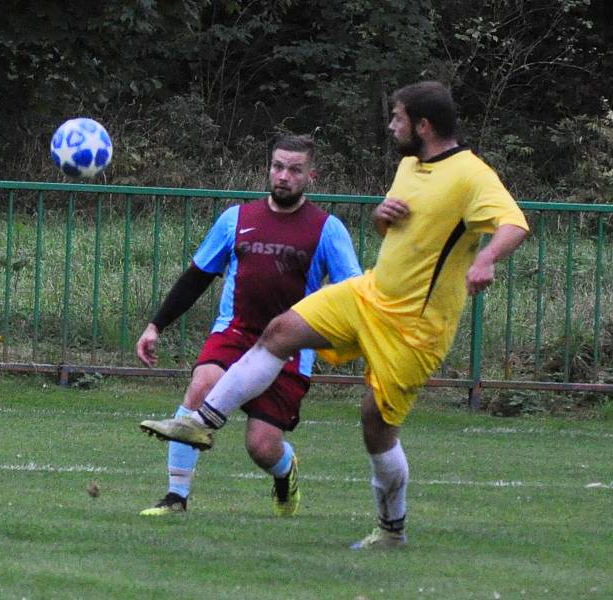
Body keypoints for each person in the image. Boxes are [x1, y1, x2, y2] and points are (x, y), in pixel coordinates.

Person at [140, 81, 530, 547]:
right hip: (368, 294)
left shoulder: (471, 174)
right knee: (280, 330)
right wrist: (383, 217)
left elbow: (514, 222)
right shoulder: (410, 164)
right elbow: (397, 228)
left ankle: (392, 530)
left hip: (414, 328)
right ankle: (198, 425)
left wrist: (486, 259)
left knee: (375, 425)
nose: (390, 125)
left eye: (398, 117)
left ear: (423, 125)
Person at [136, 134, 362, 516]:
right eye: (278, 167)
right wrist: (156, 325)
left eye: (295, 169)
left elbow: (352, 292)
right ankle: (176, 498)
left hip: (290, 346)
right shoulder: (237, 219)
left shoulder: (327, 229)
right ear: (267, 169)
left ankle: (285, 470)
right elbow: (197, 276)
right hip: (235, 331)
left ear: (311, 176)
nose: (284, 176)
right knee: (201, 387)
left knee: (261, 446)